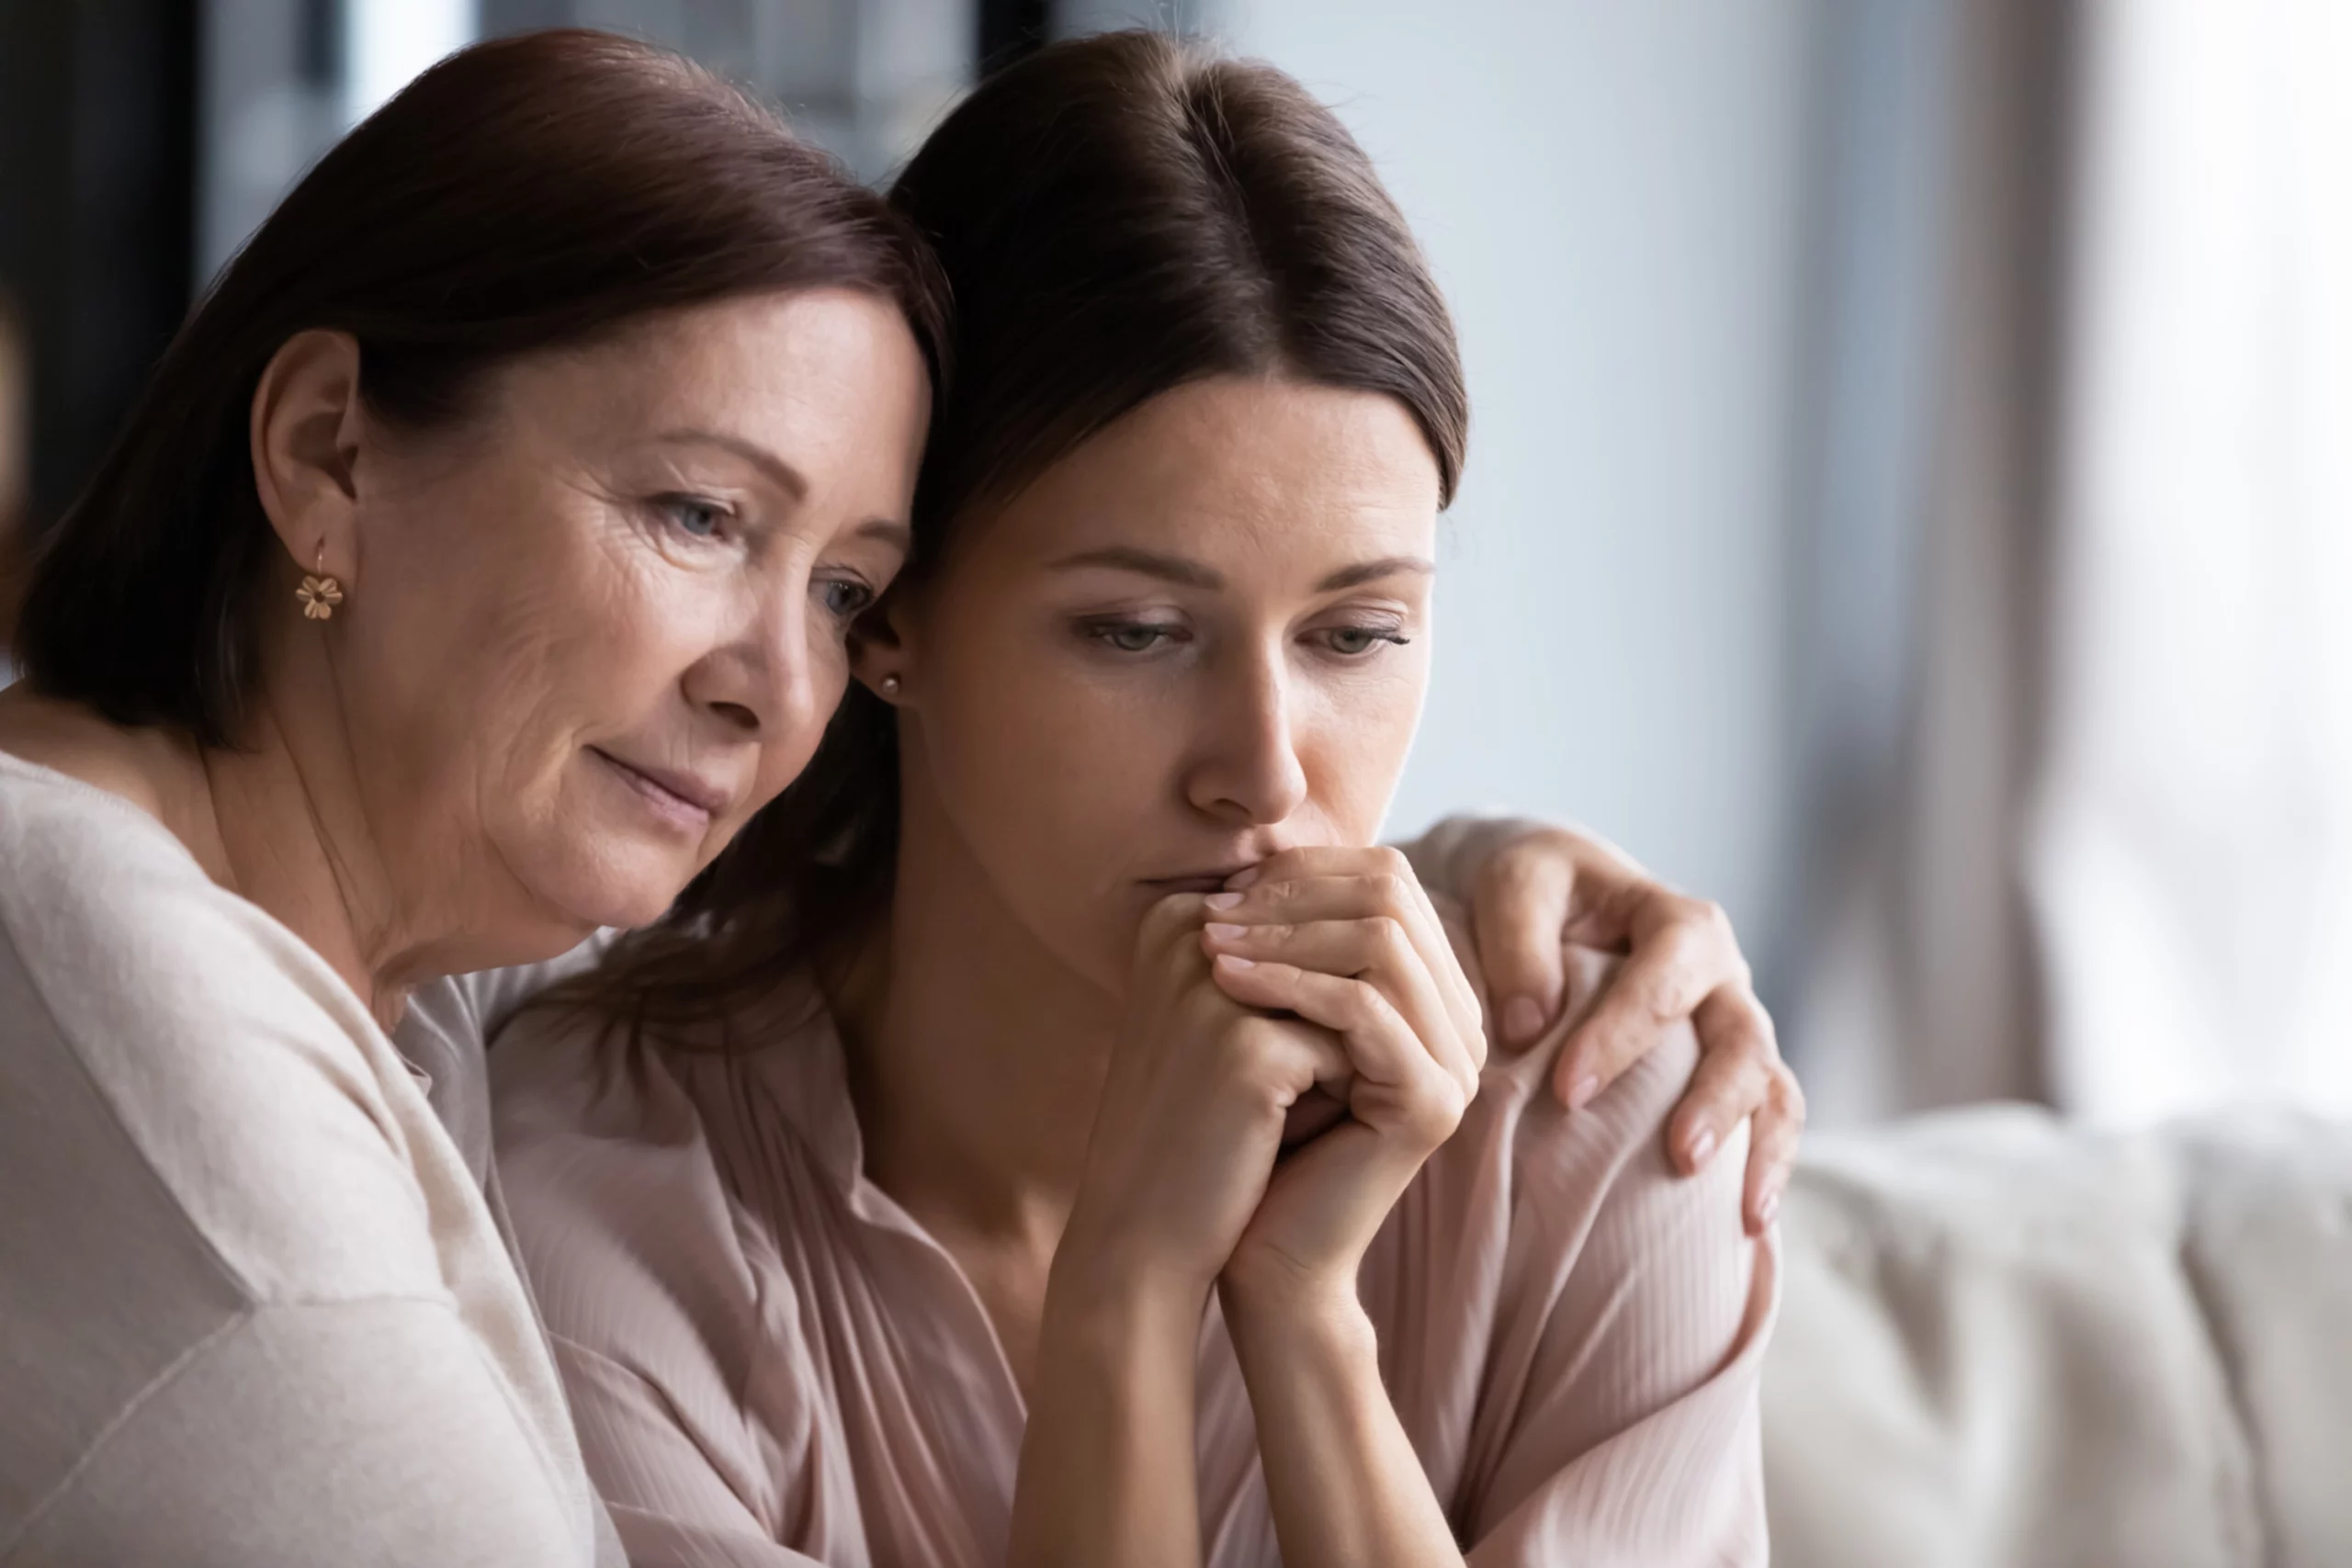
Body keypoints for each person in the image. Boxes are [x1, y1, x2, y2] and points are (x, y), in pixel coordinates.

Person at [0, 29, 1792, 1568]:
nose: (1267, 772)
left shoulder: (1606, 1095)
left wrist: (1470, 901)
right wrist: (1126, 1302)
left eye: (1358, 630)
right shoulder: (405, 1153)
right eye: (1131, 627)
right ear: (326, 450)